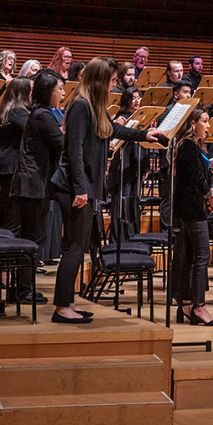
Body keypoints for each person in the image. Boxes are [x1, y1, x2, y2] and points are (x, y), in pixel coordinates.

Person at [50, 57, 164, 323]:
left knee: (77, 245)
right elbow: (74, 152)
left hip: (84, 185)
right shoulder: (80, 106)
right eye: (113, 81)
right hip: (74, 187)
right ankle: (61, 307)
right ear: (101, 80)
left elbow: (113, 129)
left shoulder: (93, 105)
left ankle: (67, 302)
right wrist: (80, 189)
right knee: (75, 247)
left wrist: (144, 135)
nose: (114, 86)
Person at [3, 69, 65, 304]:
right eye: (59, 88)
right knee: (33, 237)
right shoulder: (42, 115)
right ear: (48, 91)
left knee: (31, 236)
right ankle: (22, 290)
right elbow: (62, 144)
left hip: (33, 182)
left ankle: (21, 288)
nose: (63, 92)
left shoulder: (43, 113)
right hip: (32, 183)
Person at [171, 105, 213, 327]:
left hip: (191, 206)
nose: (208, 126)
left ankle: (186, 304)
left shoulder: (191, 146)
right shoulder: (188, 147)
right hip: (191, 207)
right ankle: (199, 306)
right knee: (202, 255)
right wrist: (209, 194)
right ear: (193, 123)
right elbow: (196, 178)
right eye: (205, 121)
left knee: (191, 256)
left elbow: (200, 174)